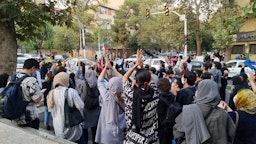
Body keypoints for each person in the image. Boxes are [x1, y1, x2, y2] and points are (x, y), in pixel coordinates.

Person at [173, 80, 236, 144]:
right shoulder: (222, 114)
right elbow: (232, 134)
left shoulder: (189, 110)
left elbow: (178, 133)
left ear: (199, 91)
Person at [122, 50, 159, 143]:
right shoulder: (155, 93)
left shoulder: (130, 95)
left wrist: (136, 64)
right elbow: (150, 79)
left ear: (135, 81)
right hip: (150, 138)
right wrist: (142, 67)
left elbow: (124, 78)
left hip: (133, 139)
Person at [47, 72, 85, 144]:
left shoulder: (51, 93)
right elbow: (81, 106)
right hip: (72, 128)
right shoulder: (71, 91)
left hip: (58, 129)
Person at [95, 58, 126, 144]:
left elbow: (100, 81)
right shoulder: (125, 96)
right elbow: (123, 79)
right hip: (120, 129)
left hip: (107, 130)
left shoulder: (107, 96)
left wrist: (105, 67)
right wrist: (112, 68)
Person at [14, 58, 43, 129]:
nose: (35, 72)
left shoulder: (14, 78)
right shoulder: (31, 81)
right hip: (29, 117)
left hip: (15, 116)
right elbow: (37, 99)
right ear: (33, 68)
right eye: (35, 70)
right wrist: (41, 93)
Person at [157, 78, 178, 144]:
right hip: (171, 124)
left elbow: (159, 115)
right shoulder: (172, 96)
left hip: (162, 126)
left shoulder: (160, 99)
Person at [83, 69, 101, 144]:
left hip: (86, 108)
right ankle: (95, 141)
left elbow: (83, 97)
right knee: (95, 128)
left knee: (85, 127)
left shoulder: (84, 84)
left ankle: (86, 141)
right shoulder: (98, 83)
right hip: (96, 107)